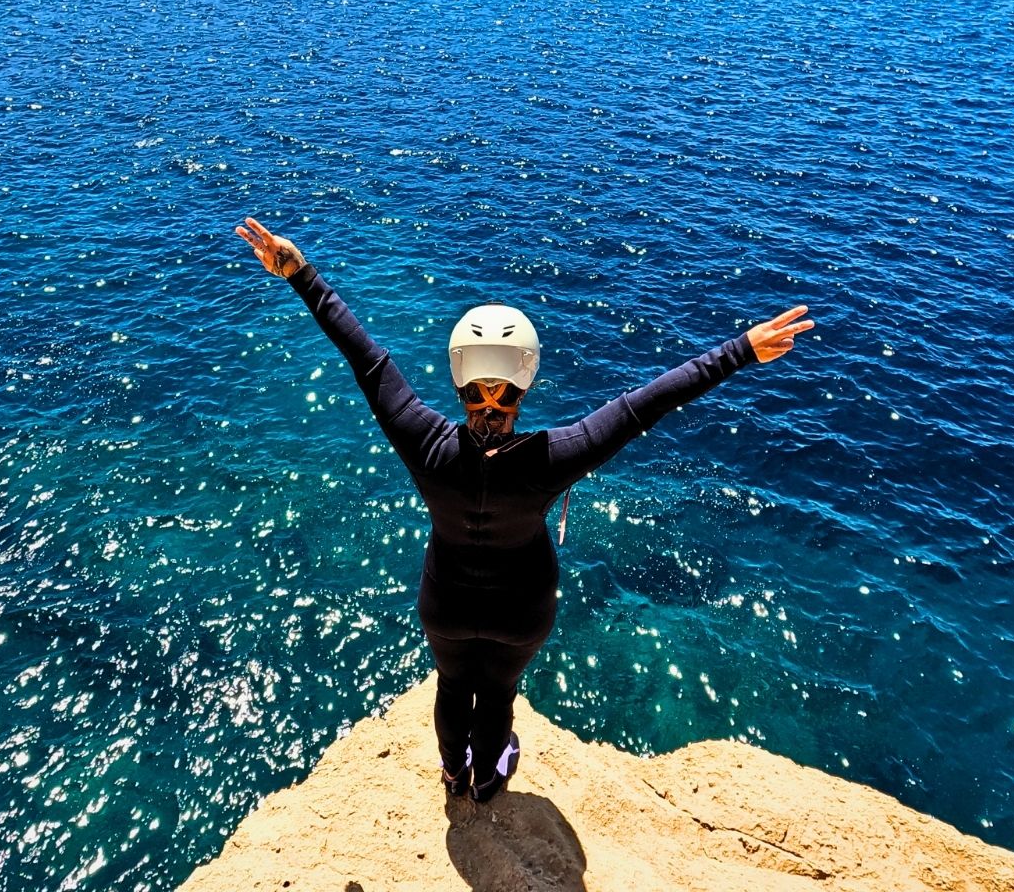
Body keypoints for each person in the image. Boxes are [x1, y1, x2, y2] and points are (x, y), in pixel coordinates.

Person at [235, 216, 814, 802]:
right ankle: (488, 778)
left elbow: (367, 360)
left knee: (452, 686)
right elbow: (645, 405)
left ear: (458, 377)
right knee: (498, 693)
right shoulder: (555, 457)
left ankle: (453, 774)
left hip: (445, 604)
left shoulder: (422, 441)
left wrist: (300, 273)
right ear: (527, 380)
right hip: (521, 611)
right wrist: (741, 349)